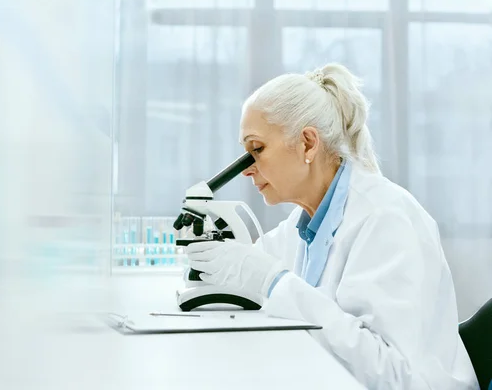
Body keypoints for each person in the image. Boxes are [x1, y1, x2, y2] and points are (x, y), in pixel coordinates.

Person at [187, 63, 478, 389]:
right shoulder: (306, 224)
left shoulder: (386, 219)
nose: (246, 170)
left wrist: (275, 282)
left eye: (256, 149)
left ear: (308, 143)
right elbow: (245, 267)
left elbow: (396, 376)